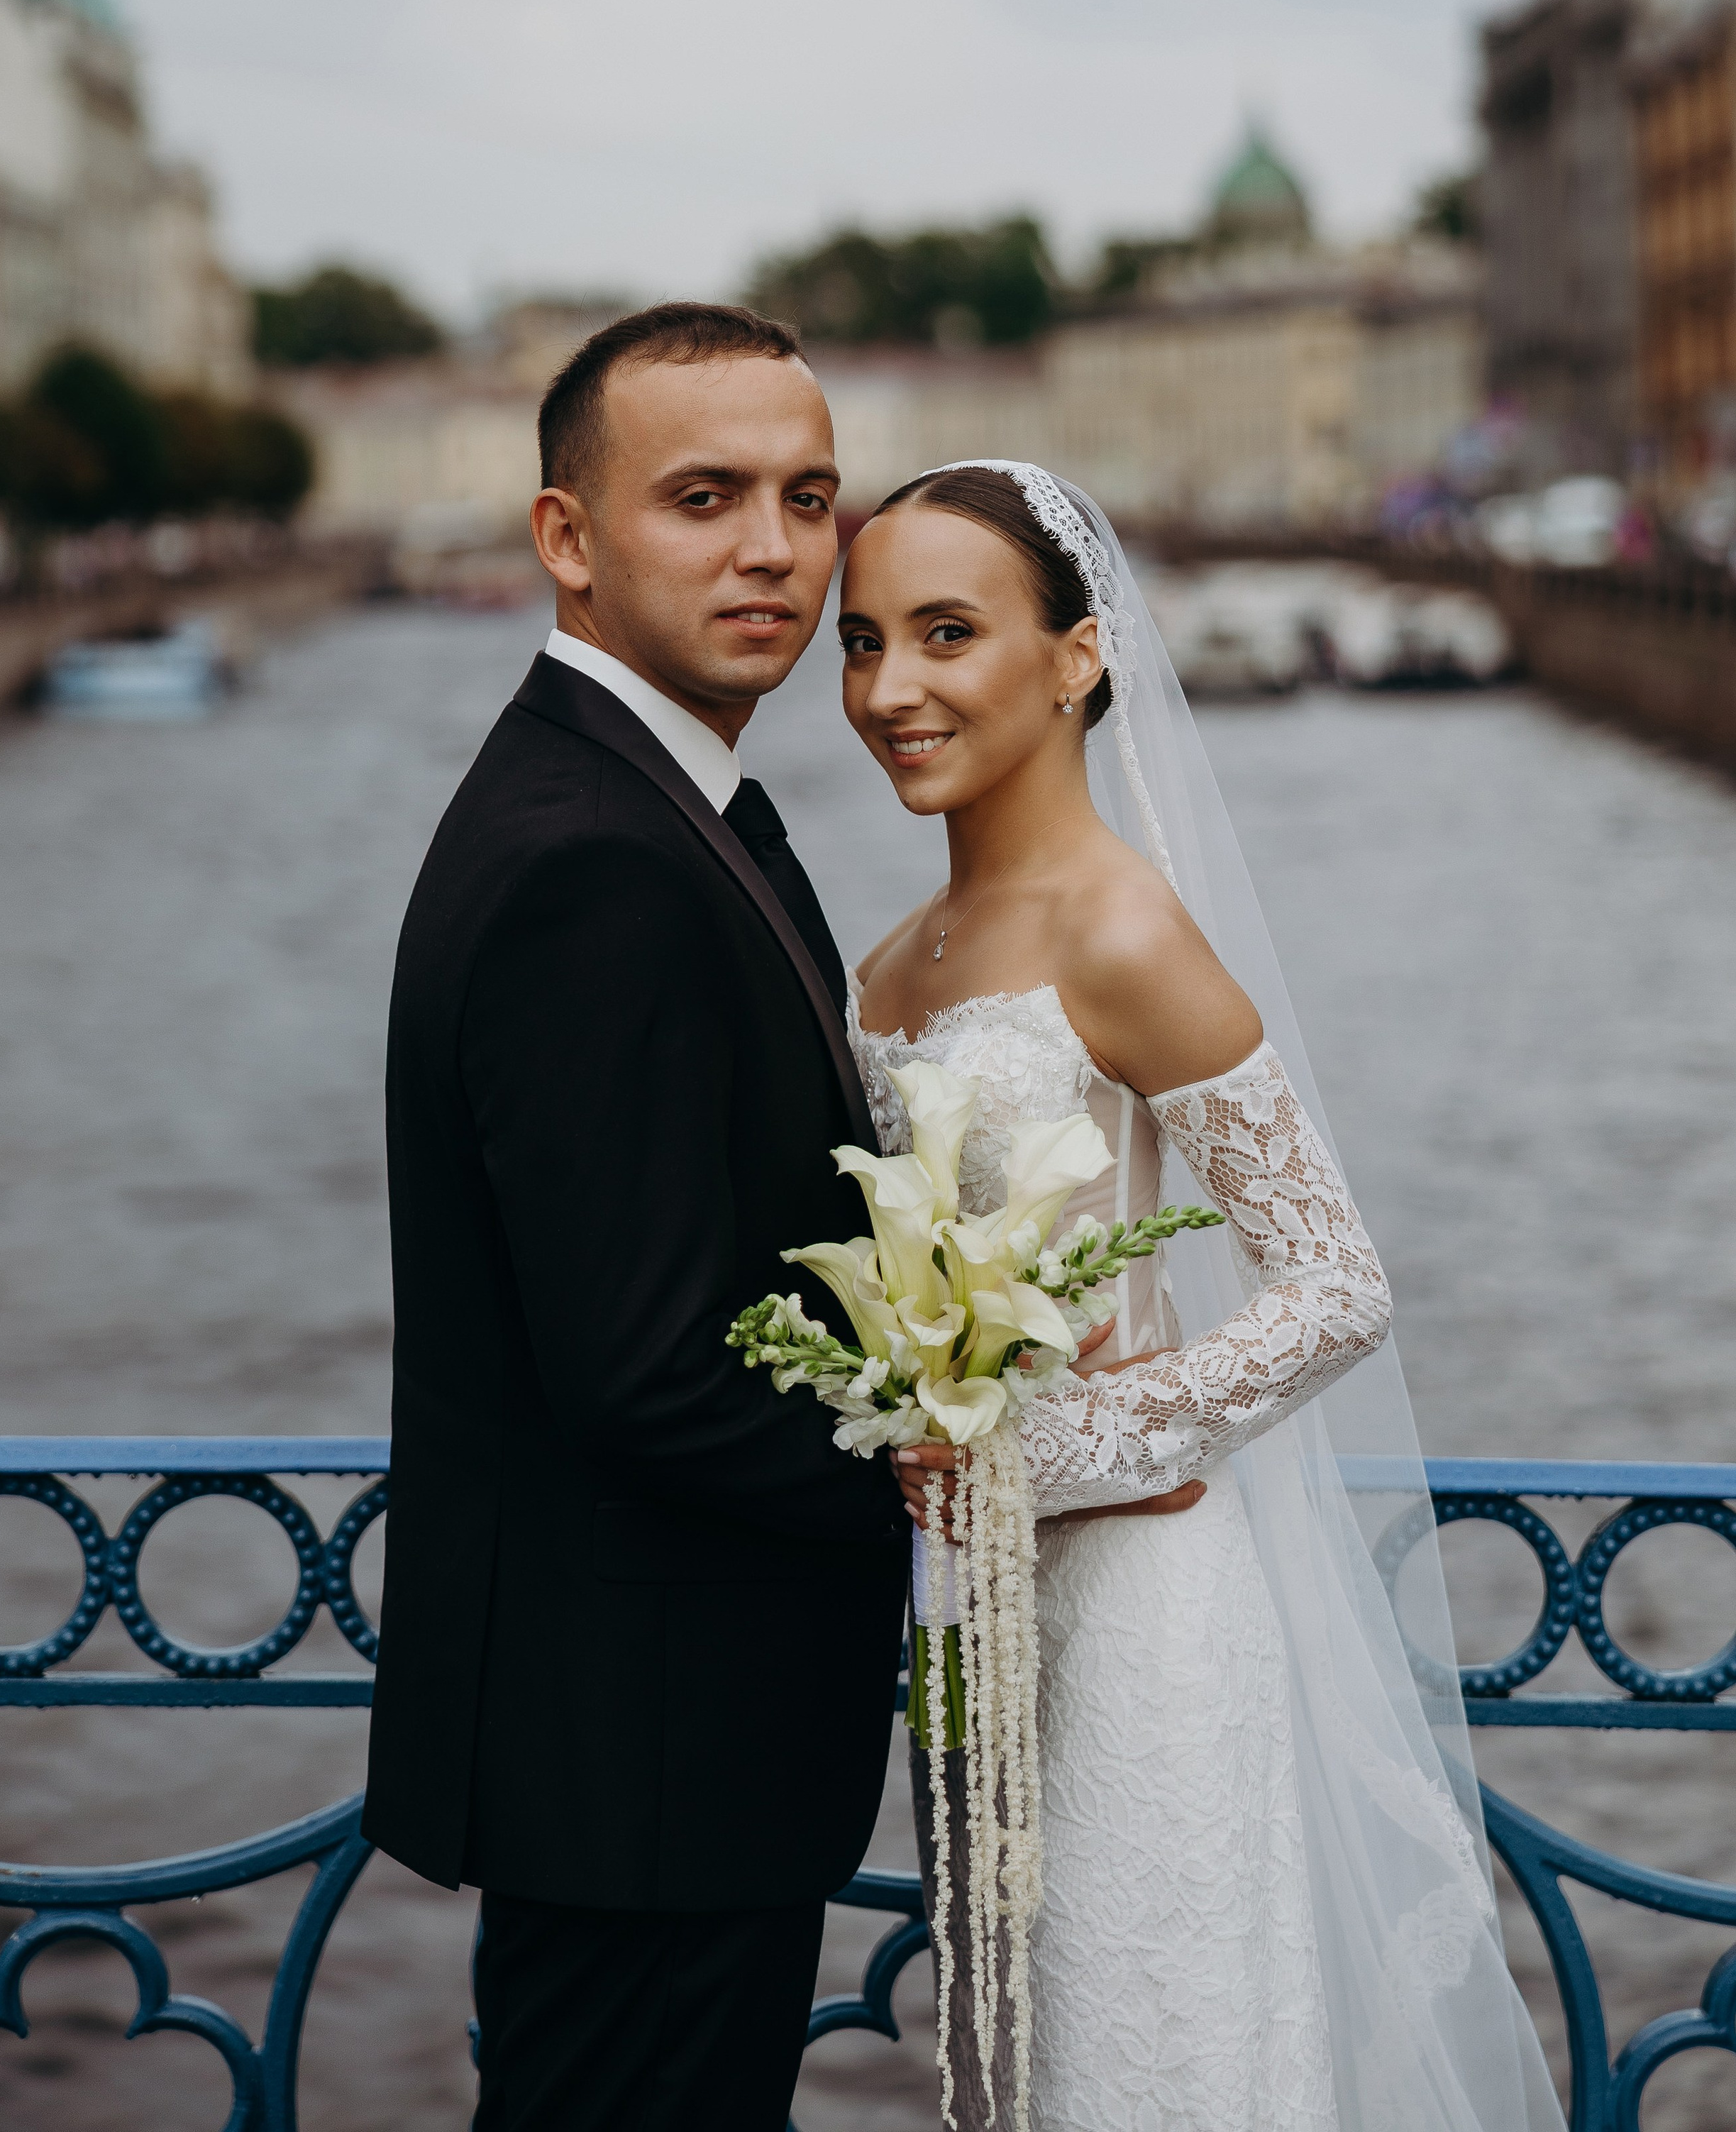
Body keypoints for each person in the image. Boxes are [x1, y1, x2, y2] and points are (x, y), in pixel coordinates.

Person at [837, 462, 1566, 2132]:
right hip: (974, 1618)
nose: (887, 690)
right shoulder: (893, 954)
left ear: (1076, 655)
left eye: (945, 633)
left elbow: (1335, 1285)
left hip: (1142, 1607)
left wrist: (1058, 1448)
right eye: (861, 642)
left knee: (1149, 2063)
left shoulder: (1120, 931)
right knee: (1019, 2067)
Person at [363, 300, 912, 2132]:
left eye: (807, 498)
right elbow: (652, 1371)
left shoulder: (638, 801)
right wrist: (958, 1473)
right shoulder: (594, 858)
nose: (773, 548)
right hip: (648, 1758)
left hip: (646, 1749)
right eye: (703, 497)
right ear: (568, 538)